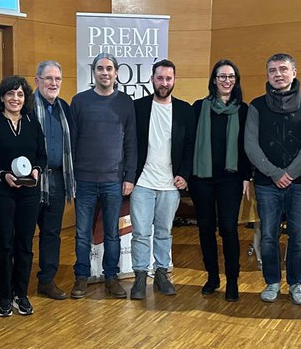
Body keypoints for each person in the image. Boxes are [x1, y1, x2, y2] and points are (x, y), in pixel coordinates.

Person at [244, 53, 301, 305]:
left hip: (299, 183)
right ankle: (272, 282)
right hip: (267, 183)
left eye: (283, 69)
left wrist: (291, 173)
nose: (278, 74)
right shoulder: (256, 105)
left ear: (294, 73)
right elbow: (250, 145)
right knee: (268, 236)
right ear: (267, 75)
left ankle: (296, 283)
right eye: (273, 70)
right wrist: (275, 173)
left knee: (299, 236)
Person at [0, 76, 47, 317]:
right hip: (2, 193)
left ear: (25, 98)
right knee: (5, 244)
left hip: (29, 193)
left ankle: (21, 294)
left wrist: (37, 170)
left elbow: (42, 156)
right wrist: (2, 175)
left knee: (25, 245)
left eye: (19, 94)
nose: (15, 98)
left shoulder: (32, 124)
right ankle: (5, 296)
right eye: (10, 94)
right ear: (2, 97)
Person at [69, 52, 137, 299]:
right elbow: (72, 142)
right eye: (100, 68)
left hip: (114, 181)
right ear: (94, 72)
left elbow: (131, 142)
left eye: (109, 68)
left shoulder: (125, 103)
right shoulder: (79, 101)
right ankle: (81, 277)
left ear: (116, 73)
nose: (105, 73)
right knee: (82, 233)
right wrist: (71, 177)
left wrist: (129, 176)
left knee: (112, 234)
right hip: (84, 180)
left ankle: (111, 277)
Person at [129, 60, 194, 300]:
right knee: (140, 232)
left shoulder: (185, 110)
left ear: (174, 80)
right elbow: (129, 144)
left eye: (168, 78)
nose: (164, 83)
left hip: (170, 185)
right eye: (160, 78)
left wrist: (184, 175)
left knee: (164, 232)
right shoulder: (137, 107)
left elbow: (190, 147)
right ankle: (139, 276)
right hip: (142, 182)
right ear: (152, 79)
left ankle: (161, 273)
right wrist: (129, 177)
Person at [189, 60, 252, 301]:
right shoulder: (199, 107)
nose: (227, 81)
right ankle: (212, 277)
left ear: (236, 81)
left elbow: (246, 146)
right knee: (205, 229)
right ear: (214, 80)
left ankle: (232, 280)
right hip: (201, 179)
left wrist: (246, 176)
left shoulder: (244, 110)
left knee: (228, 229)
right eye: (222, 76)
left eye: (231, 77)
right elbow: (190, 143)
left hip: (231, 180)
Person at [30, 60, 75, 300]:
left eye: (57, 79)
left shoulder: (64, 107)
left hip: (57, 178)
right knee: (24, 232)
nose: (53, 83)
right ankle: (18, 284)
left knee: (51, 233)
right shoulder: (26, 107)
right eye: (48, 78)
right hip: (30, 180)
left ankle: (46, 280)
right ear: (37, 81)